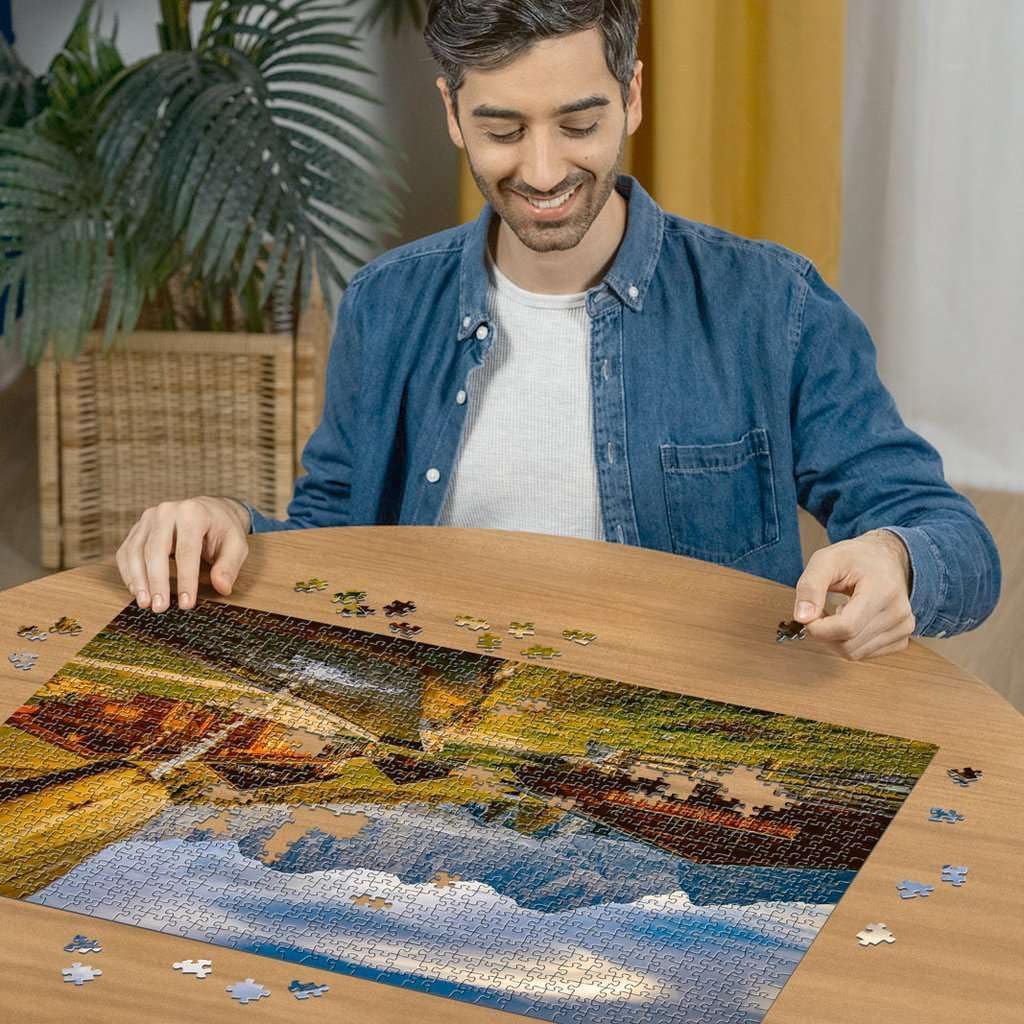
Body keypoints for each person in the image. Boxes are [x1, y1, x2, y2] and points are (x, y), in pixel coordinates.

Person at [116, 0, 1000, 662]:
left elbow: (955, 539)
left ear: (633, 96)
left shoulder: (772, 305)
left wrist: (896, 560)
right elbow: (329, 546)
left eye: (579, 123)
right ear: (454, 113)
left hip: (685, 734)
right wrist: (224, 521)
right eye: (503, 129)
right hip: (439, 721)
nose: (542, 172)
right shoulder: (384, 304)